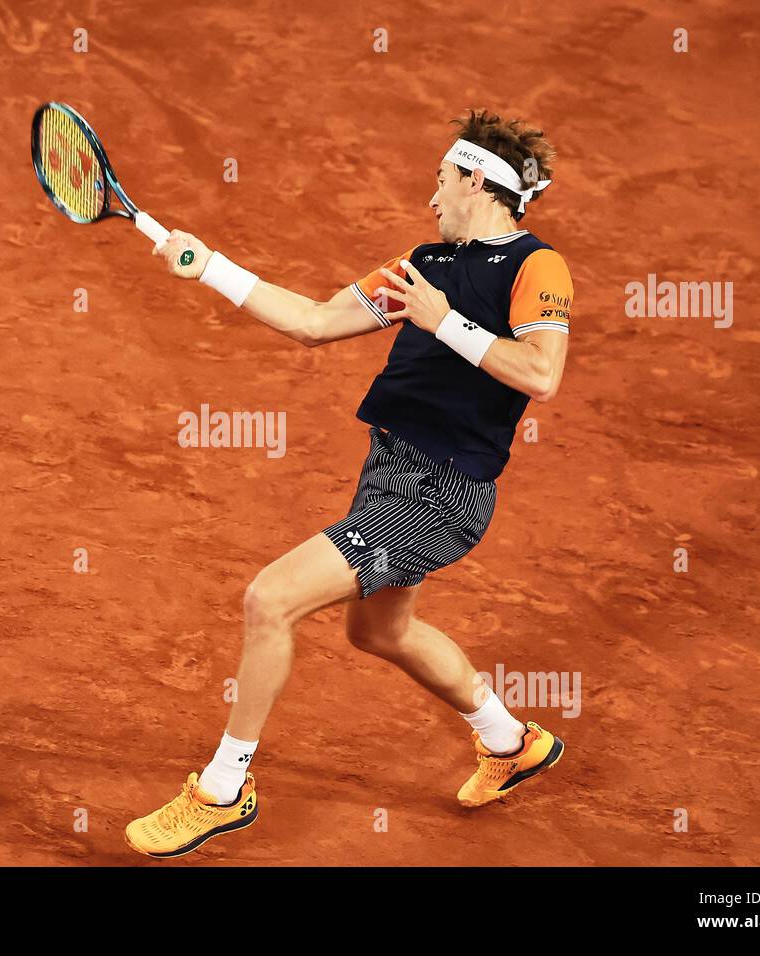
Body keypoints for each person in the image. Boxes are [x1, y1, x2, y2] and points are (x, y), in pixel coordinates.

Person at [125, 109, 573, 859]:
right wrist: (212, 266)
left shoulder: (536, 266)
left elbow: (542, 374)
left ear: (474, 179)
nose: (431, 200)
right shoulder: (421, 265)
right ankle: (510, 741)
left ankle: (222, 791)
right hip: (388, 473)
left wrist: (443, 323)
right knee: (379, 630)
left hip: (442, 493)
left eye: (440, 181)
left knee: (270, 598)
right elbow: (312, 320)